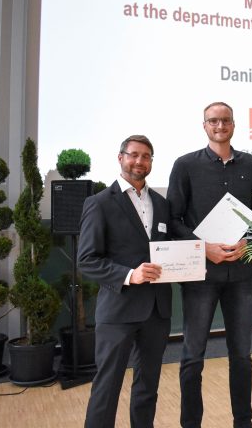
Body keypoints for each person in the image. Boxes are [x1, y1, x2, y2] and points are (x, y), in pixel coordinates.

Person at [167, 102, 252, 428]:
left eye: (225, 120)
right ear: (204, 125)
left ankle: (243, 422)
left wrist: (248, 242)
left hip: (242, 275)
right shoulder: (185, 165)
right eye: (213, 120)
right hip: (201, 275)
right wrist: (203, 248)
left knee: (241, 356)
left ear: (233, 125)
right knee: (193, 356)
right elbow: (173, 219)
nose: (219, 125)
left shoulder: (251, 164)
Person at [77, 135, 172, 428]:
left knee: (147, 388)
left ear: (151, 162)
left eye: (146, 156)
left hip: (157, 311)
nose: (139, 161)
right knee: (106, 389)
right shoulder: (100, 203)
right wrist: (131, 275)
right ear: (120, 158)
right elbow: (87, 261)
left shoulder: (161, 203)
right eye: (133, 155)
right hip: (118, 311)